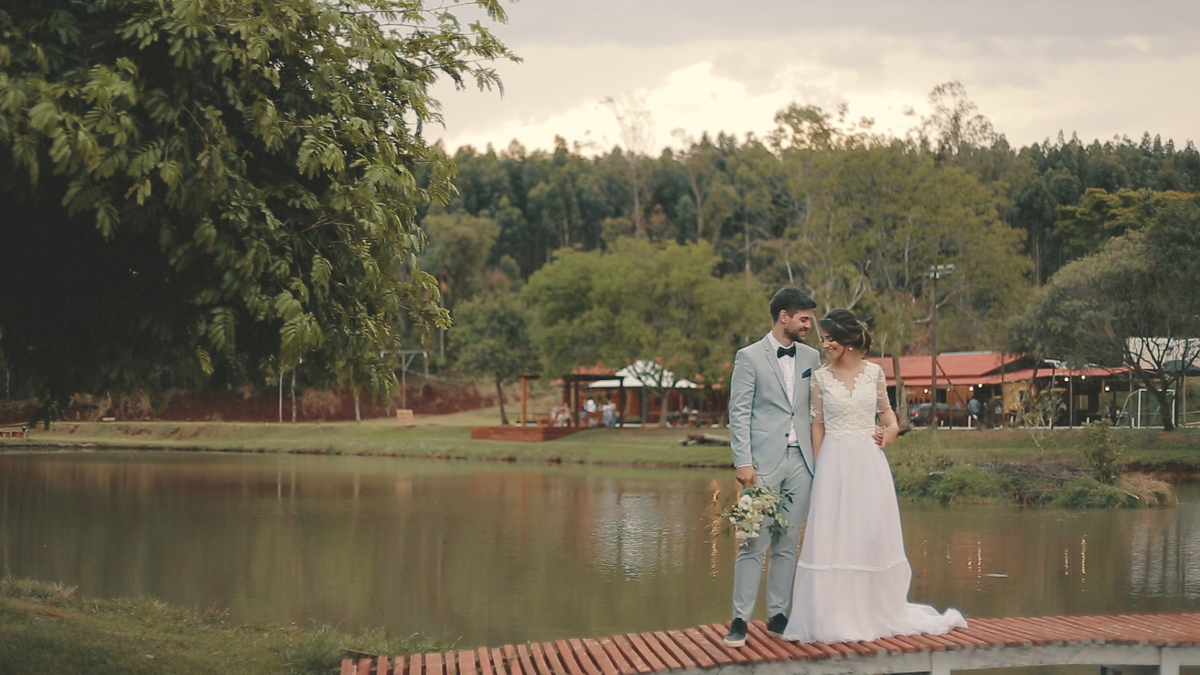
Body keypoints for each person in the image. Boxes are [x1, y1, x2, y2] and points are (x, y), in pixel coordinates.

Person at [781, 308, 966, 644]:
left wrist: (893, 430)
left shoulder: (875, 374)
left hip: (869, 461)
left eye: (830, 338)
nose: (825, 345)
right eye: (822, 339)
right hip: (834, 462)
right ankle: (831, 614)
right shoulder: (820, 379)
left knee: (868, 533)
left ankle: (871, 610)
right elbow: (817, 426)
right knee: (834, 537)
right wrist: (820, 469)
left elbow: (887, 414)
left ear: (849, 340)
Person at [723, 288, 822, 647]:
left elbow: (816, 410)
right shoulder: (748, 357)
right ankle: (740, 619)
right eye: (804, 318)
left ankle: (778, 616)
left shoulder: (813, 357)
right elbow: (739, 411)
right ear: (784, 316)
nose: (809, 325)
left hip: (802, 463)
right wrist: (743, 461)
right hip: (762, 463)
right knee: (753, 541)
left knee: (787, 543)